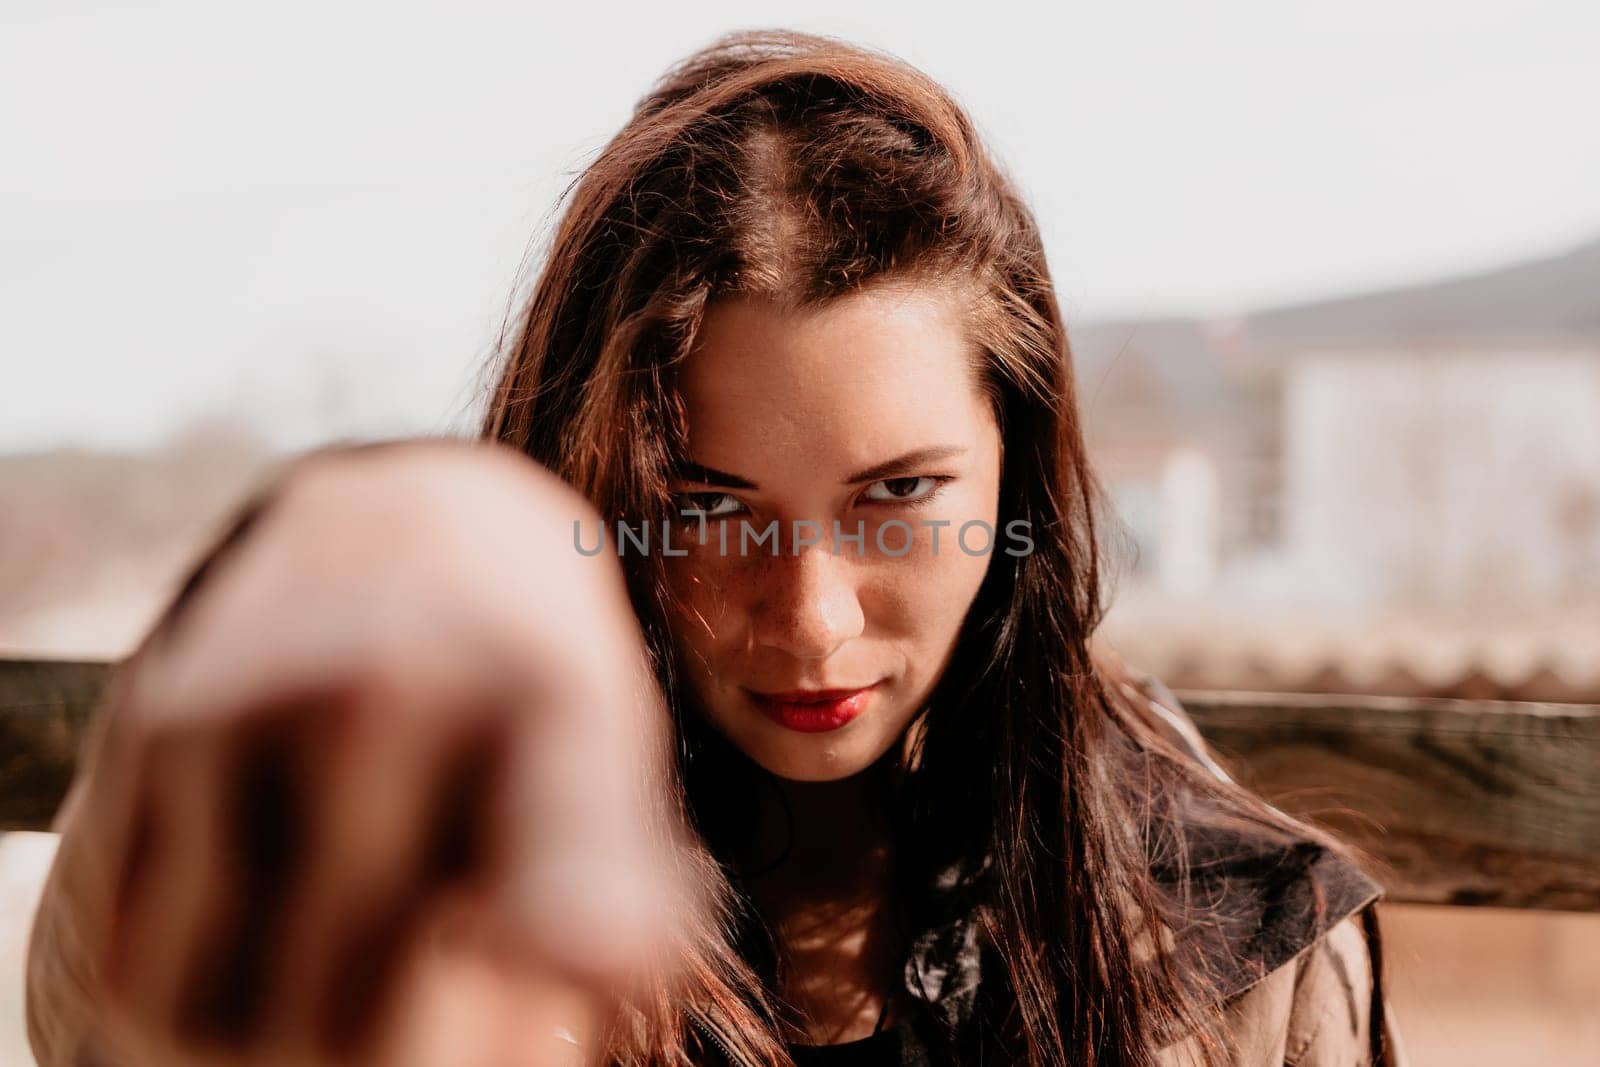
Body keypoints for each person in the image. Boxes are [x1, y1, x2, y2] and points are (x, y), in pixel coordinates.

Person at [25, 29, 1405, 1067]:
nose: (808, 619)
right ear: (588, 485)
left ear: (1015, 466)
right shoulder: (399, 858)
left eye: (900, 495)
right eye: (703, 507)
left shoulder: (1244, 939)